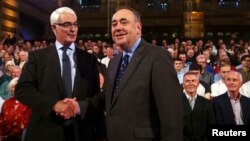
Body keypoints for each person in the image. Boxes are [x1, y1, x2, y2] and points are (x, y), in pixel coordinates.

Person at [15, 7, 102, 141]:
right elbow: (22, 90)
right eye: (67, 25)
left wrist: (78, 107)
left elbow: (95, 95)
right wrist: (54, 105)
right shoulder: (37, 57)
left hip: (80, 131)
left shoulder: (89, 59)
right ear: (54, 28)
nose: (73, 29)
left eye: (75, 24)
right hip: (45, 131)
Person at [105, 7, 183, 141]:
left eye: (124, 22)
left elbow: (171, 114)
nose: (117, 27)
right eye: (114, 24)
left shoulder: (157, 56)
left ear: (138, 27)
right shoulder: (113, 62)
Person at [182, 72, 215, 141]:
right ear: (183, 85)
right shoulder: (175, 103)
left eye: (193, 81)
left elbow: (211, 125)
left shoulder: (207, 103)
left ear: (198, 84)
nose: (191, 83)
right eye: (187, 81)